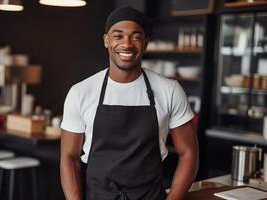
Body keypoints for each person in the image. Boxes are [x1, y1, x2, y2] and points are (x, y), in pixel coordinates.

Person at [60, 5, 199, 200]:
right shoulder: (81, 92)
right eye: (118, 36)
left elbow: (189, 154)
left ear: (145, 43)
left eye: (136, 36)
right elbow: (69, 157)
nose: (127, 44)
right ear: (106, 40)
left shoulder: (170, 90)